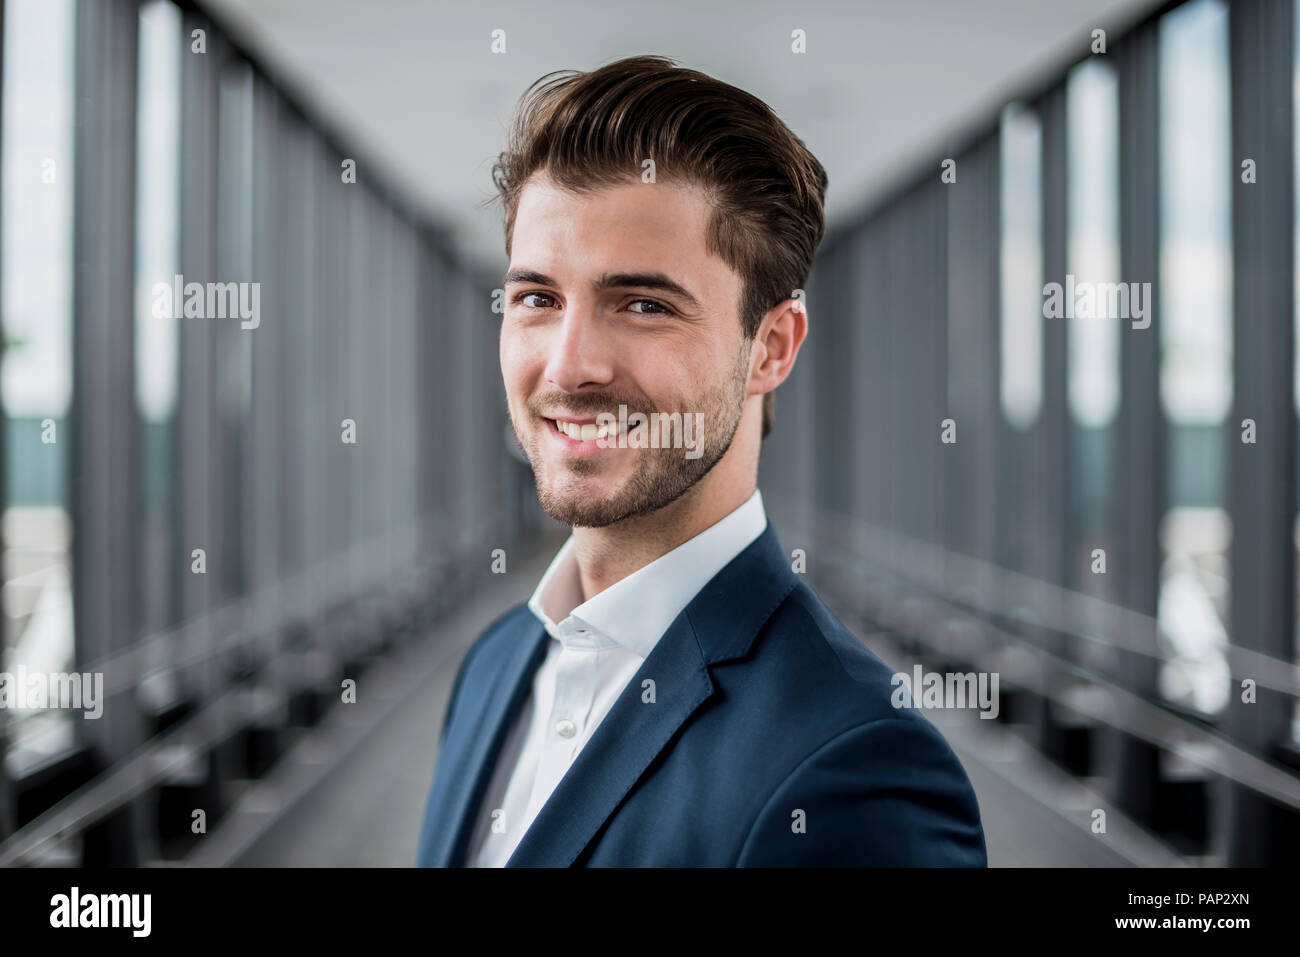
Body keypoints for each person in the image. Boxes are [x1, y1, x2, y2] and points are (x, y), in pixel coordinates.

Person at [416, 54, 986, 867]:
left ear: (771, 348)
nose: (571, 366)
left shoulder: (856, 768)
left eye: (643, 304)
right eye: (538, 298)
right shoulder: (495, 665)